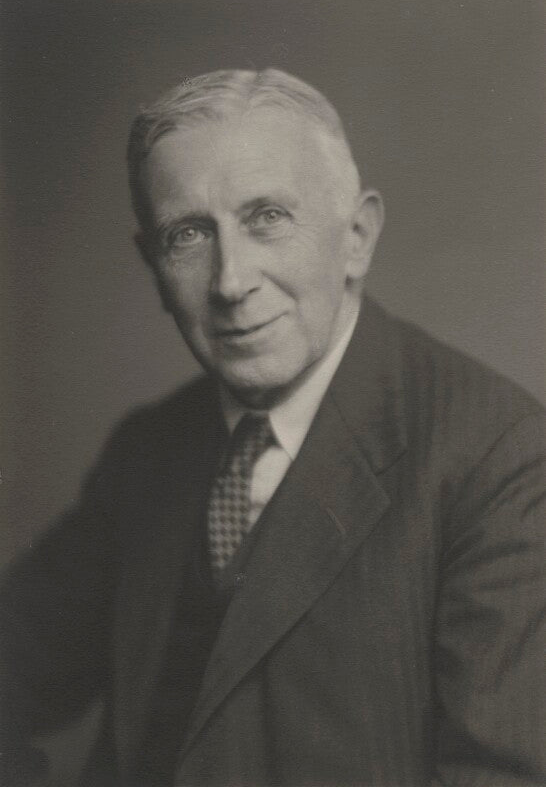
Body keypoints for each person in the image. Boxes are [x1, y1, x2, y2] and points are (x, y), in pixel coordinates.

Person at [1, 68, 544, 787]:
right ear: (153, 267)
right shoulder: (147, 449)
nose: (231, 281)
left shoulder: (498, 457)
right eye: (189, 234)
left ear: (356, 236)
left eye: (267, 217)